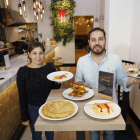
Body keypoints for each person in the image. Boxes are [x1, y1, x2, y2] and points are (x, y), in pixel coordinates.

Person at [75, 27, 140, 140]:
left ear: (105, 40)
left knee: (109, 134)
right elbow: (77, 81)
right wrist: (80, 85)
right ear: (89, 42)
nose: (97, 43)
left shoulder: (115, 59)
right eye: (93, 40)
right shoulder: (82, 61)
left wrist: (133, 80)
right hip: (90, 105)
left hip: (110, 105)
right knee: (94, 134)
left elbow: (122, 80)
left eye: (100, 39)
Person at [17, 42, 61, 140]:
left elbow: (55, 88)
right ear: (29, 54)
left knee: (50, 134)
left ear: (44, 53)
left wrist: (58, 82)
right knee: (36, 135)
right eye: (34, 53)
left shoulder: (50, 67)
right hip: (33, 108)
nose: (38, 56)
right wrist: (24, 118)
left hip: (50, 107)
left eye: (40, 53)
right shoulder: (23, 72)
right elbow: (22, 95)